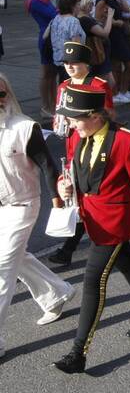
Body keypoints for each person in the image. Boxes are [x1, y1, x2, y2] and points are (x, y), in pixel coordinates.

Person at [53, 87, 130, 374]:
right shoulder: (79, 135)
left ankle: (78, 353)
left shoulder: (126, 142)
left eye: (74, 118)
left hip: (114, 223)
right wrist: (64, 187)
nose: (71, 124)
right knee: (127, 264)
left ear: (93, 116)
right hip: (92, 217)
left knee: (92, 282)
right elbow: (77, 173)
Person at [0, 75, 76, 361]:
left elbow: (47, 166)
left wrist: (58, 199)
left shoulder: (25, 128)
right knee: (17, 258)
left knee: (3, 267)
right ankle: (56, 293)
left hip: (23, 206)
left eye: (2, 94)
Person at [47, 40, 118, 267]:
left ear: (86, 64)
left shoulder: (97, 85)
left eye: (75, 62)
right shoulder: (63, 86)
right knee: (75, 196)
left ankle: (69, 249)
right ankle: (75, 246)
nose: (69, 66)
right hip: (71, 147)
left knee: (84, 196)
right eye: (66, 62)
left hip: (93, 146)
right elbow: (59, 115)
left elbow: (109, 116)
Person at [22, 0, 59, 121]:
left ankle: (53, 105)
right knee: (46, 74)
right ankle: (46, 107)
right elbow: (52, 14)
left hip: (52, 35)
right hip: (46, 37)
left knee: (52, 74)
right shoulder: (34, 1)